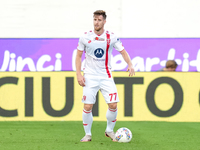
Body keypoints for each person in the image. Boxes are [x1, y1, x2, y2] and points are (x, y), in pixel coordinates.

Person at [75, 10, 135, 142]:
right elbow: (78, 56)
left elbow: (123, 51)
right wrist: (79, 74)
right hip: (90, 76)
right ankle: (88, 134)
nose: (96, 22)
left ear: (104, 22)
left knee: (113, 104)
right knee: (88, 106)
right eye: (95, 20)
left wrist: (130, 64)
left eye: (99, 20)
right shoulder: (85, 37)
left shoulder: (111, 37)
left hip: (106, 75)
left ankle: (109, 130)